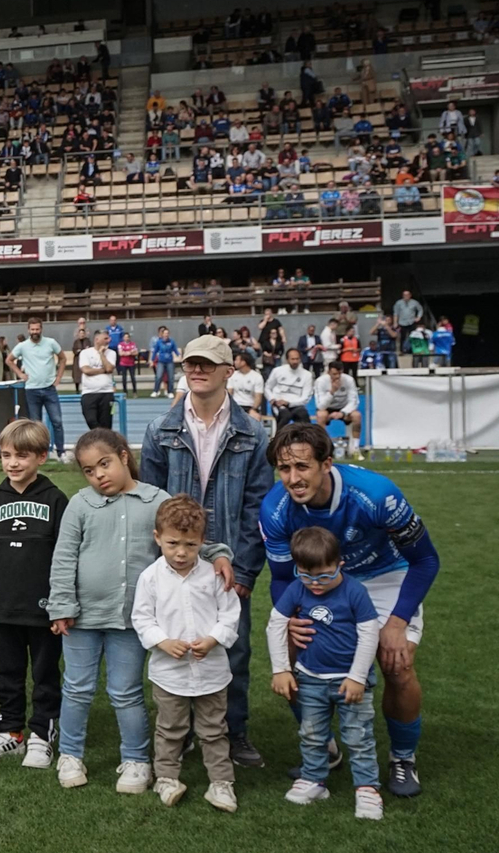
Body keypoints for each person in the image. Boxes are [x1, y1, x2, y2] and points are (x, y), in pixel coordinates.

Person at [260, 423, 440, 798]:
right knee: (292, 655)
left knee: (397, 662)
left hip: (382, 575)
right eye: (284, 469)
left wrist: (396, 621)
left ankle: (403, 758)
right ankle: (322, 746)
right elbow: (280, 577)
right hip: (316, 581)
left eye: (302, 467)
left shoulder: (376, 494)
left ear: (327, 464)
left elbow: (425, 560)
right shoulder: (275, 509)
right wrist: (290, 619)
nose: (292, 479)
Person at [47, 429, 233, 793]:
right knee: (77, 687)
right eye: (88, 470)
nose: (99, 475)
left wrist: (220, 554)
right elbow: (64, 556)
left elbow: (185, 537)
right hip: (81, 619)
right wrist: (61, 606)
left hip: (133, 621)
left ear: (123, 456)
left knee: (126, 691)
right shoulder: (80, 504)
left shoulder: (156, 500)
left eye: (105, 464)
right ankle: (70, 754)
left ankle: (134, 760)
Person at [140, 334, 273, 769]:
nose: (197, 370)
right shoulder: (160, 429)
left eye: (207, 364)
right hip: (176, 562)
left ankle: (233, 734)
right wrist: (158, 562)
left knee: (232, 650)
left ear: (228, 372)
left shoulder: (253, 433)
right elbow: (152, 502)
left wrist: (247, 571)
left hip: (229, 565)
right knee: (173, 647)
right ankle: (177, 735)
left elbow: (259, 507)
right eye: (191, 363)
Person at [266, 526, 385, 820]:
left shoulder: (355, 591)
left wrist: (357, 677)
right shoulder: (297, 588)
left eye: (324, 575)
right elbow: (275, 623)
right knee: (311, 733)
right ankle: (314, 780)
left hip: (349, 682)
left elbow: (370, 632)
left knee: (358, 736)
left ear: (339, 564)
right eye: (306, 575)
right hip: (310, 678)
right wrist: (281, 669)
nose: (315, 584)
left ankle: (368, 789)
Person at [131, 495, 241, 812]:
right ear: (158, 538)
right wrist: (162, 642)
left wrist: (213, 639)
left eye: (190, 545)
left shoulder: (214, 575)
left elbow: (230, 614)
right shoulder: (150, 578)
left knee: (214, 730)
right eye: (173, 543)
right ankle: (166, 778)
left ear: (202, 542)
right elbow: (142, 618)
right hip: (169, 674)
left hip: (211, 672)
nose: (181, 553)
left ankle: (221, 784)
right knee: (170, 728)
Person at [0, 419, 68, 766]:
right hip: (4, 609)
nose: (12, 463)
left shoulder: (57, 501)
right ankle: (11, 731)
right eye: (6, 455)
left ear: (41, 457)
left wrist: (61, 606)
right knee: (8, 674)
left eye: (22, 456)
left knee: (45, 675)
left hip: (44, 611)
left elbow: (66, 559)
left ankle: (42, 734)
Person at [10, 319, 68, 460]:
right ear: (28, 330)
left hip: (49, 388)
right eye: (32, 329)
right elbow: (9, 360)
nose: (35, 332)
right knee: (36, 424)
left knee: (57, 421)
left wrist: (59, 377)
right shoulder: (23, 346)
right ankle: (39, 453)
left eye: (37, 329)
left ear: (41, 329)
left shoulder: (50, 343)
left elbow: (63, 358)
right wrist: (20, 374)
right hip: (32, 389)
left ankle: (60, 451)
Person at [313, 363, 361, 457]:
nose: (337, 377)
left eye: (340, 373)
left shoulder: (349, 380)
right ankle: (323, 448)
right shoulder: (321, 381)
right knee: (321, 415)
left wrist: (342, 413)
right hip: (327, 408)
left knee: (357, 415)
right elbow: (320, 406)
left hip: (344, 409)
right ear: (328, 372)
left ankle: (355, 448)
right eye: (334, 374)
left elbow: (354, 401)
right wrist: (332, 392)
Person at [77, 332, 117, 429]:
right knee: (91, 420)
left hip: (107, 393)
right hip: (89, 393)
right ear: (97, 339)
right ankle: (98, 436)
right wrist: (102, 370)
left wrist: (101, 354)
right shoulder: (85, 353)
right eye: (106, 338)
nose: (109, 340)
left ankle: (105, 441)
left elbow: (109, 369)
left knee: (106, 424)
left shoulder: (111, 353)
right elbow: (86, 370)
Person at [265, 349, 314, 427]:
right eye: (292, 359)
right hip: (278, 404)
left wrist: (289, 403)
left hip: (296, 404)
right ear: (287, 359)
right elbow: (267, 388)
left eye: (297, 359)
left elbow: (305, 398)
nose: (295, 361)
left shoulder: (307, 375)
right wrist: (272, 399)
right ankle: (279, 438)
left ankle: (307, 437)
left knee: (303, 415)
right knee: (285, 416)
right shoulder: (277, 371)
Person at [228, 353, 265, 418]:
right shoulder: (233, 375)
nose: (234, 362)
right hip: (235, 405)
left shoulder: (257, 377)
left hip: (250, 406)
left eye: (236, 360)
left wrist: (254, 409)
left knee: (255, 417)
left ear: (243, 362)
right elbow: (229, 393)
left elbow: (258, 397)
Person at [150, 326, 180, 398]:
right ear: (162, 334)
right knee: (159, 376)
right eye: (165, 333)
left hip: (169, 361)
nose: (166, 335)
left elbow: (175, 350)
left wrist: (179, 355)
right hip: (161, 361)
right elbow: (155, 351)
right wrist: (152, 360)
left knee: (171, 377)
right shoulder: (159, 342)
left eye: (167, 333)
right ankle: (155, 391)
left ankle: (170, 392)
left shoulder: (172, 341)